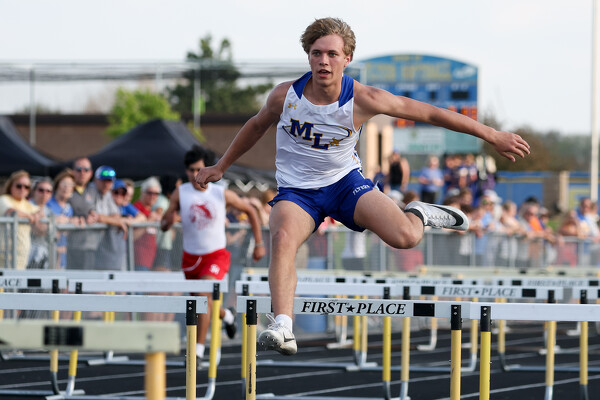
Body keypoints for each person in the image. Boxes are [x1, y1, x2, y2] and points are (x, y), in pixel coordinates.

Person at [194, 17, 530, 355]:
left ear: (347, 58)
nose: (324, 62)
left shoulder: (364, 98)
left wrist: (491, 135)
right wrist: (221, 166)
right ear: (308, 56)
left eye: (332, 54)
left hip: (345, 183)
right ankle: (283, 325)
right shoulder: (285, 96)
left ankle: (418, 213)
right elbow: (255, 126)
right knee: (281, 238)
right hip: (298, 192)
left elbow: (430, 113)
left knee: (406, 238)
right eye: (316, 54)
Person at [161, 145, 266, 367]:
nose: (194, 175)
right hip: (191, 258)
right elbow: (164, 223)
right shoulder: (181, 193)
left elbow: (251, 211)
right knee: (203, 303)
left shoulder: (221, 193)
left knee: (203, 297)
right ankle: (227, 316)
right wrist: (168, 219)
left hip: (216, 256)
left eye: (198, 169)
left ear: (207, 169)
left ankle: (198, 352)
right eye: (190, 170)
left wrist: (259, 243)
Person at [0, 170, 43, 270]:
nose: (22, 189)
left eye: (26, 187)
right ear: (11, 186)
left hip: (21, 254)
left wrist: (37, 215)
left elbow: (40, 212)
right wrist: (29, 216)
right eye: (19, 186)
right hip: (3, 254)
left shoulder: (27, 204)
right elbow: (11, 212)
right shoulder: (3, 199)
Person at [88, 166, 128, 270]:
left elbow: (115, 215)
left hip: (100, 247)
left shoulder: (108, 194)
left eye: (109, 181)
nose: (106, 184)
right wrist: (117, 222)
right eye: (103, 180)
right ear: (96, 180)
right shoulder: (91, 190)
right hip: (88, 245)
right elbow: (95, 216)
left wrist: (112, 220)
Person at [67, 157, 99, 270]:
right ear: (73, 172)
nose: (82, 172)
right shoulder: (66, 188)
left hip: (90, 246)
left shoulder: (95, 189)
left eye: (86, 169)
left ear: (91, 173)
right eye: (79, 169)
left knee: (87, 279)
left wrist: (94, 214)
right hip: (69, 247)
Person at [47, 169, 79, 269]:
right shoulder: (48, 203)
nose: (66, 187)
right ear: (57, 185)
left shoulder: (69, 208)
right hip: (48, 252)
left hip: (63, 254)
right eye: (64, 184)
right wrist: (66, 221)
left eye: (70, 185)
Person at [133, 177, 162, 271]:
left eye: (156, 194)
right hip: (138, 261)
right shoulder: (135, 209)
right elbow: (131, 236)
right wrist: (149, 222)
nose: (153, 196)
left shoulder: (151, 211)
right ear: (142, 192)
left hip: (150, 262)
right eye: (149, 193)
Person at [27, 177, 55, 269]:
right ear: (34, 191)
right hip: (28, 254)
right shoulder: (27, 206)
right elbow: (39, 231)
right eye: (41, 190)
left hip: (43, 254)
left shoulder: (49, 210)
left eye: (48, 191)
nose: (44, 193)